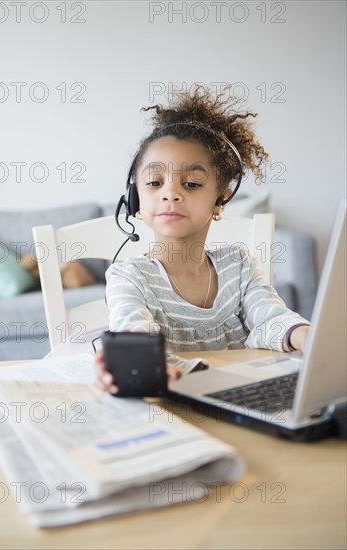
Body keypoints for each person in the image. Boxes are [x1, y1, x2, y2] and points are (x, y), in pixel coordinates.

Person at [96, 86, 310, 393]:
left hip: (242, 399)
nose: (170, 193)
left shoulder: (238, 265)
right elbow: (133, 328)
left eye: (192, 183)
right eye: (155, 182)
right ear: (134, 200)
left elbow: (271, 318)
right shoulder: (128, 277)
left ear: (221, 201)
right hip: (172, 404)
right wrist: (143, 358)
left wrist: (305, 335)